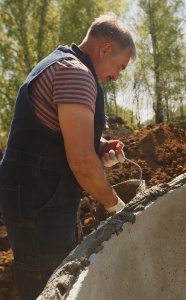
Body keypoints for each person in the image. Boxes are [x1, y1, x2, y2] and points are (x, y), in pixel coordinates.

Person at [0, 12, 136, 300]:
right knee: (48, 285)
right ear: (105, 49)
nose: (115, 76)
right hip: (39, 201)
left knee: (60, 277)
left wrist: (99, 146)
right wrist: (116, 207)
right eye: (119, 67)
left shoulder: (62, 63)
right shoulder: (76, 73)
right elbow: (82, 163)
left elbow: (60, 132)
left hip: (40, 196)